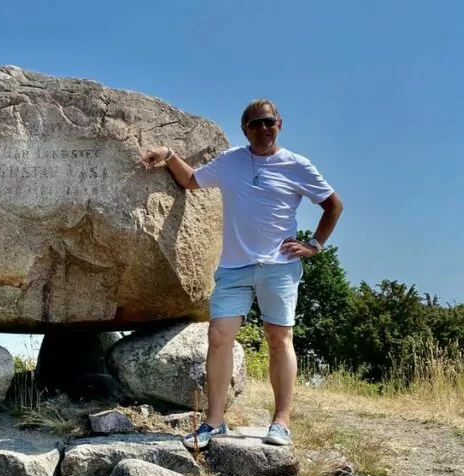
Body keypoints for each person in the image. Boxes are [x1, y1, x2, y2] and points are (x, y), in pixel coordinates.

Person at [141, 99, 344, 448]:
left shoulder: (297, 165)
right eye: (255, 124)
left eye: (269, 122)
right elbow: (192, 182)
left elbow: (333, 205)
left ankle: (281, 421)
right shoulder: (232, 160)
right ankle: (214, 422)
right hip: (234, 268)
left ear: (280, 124)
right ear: (245, 129)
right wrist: (168, 154)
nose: (263, 129)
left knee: (279, 340)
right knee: (219, 337)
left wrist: (314, 245)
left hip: (279, 267)